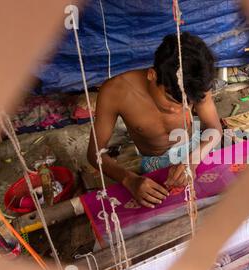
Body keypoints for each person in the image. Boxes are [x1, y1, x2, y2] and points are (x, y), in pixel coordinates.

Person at [87, 32, 222, 208]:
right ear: (152, 75)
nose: (178, 109)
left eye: (186, 103)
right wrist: (129, 179)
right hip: (154, 162)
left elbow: (215, 128)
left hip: (196, 148)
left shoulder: (195, 85)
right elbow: (94, 153)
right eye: (171, 100)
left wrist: (194, 159)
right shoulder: (115, 92)